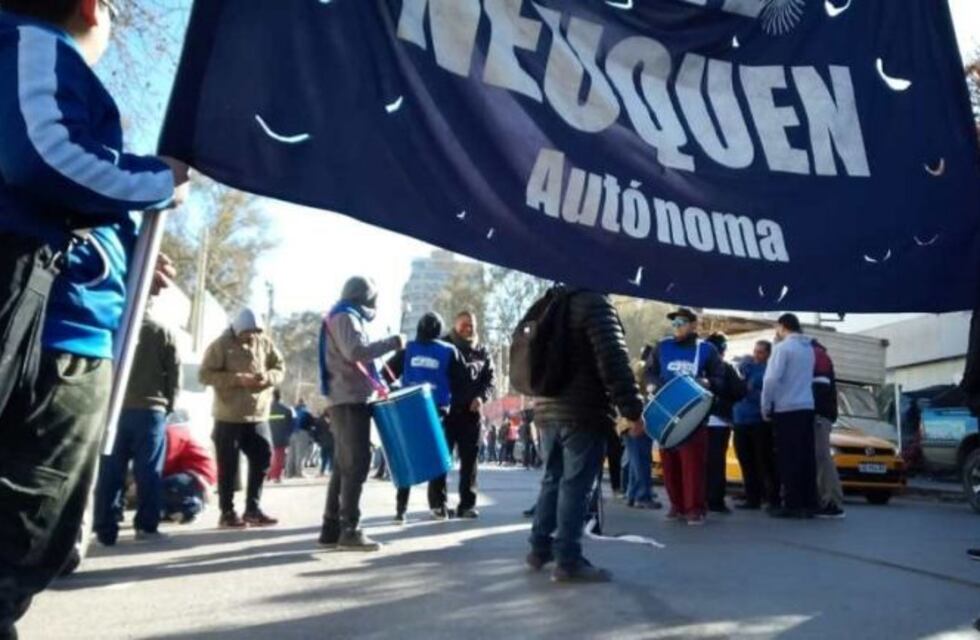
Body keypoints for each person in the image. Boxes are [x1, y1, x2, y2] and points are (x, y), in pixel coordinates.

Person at [0, 2, 189, 634]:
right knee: (21, 545)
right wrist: (156, 179)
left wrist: (126, 253)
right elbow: (41, 155)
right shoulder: (32, 44)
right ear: (90, 7)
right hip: (50, 339)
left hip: (51, 329)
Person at [528, 287, 645, 583]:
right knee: (577, 485)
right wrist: (632, 410)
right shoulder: (595, 303)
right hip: (583, 410)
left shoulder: (550, 301)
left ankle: (539, 547)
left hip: (547, 408)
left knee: (553, 478)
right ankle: (568, 559)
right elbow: (613, 359)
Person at [317, 276, 403, 551]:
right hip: (349, 399)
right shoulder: (345, 317)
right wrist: (392, 343)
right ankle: (350, 530)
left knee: (344, 465)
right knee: (356, 463)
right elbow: (354, 352)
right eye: (372, 299)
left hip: (346, 398)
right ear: (362, 298)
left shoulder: (345, 316)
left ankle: (331, 527)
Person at [93, 309, 181, 545]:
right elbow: (173, 373)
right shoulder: (161, 331)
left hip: (114, 409)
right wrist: (169, 405)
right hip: (151, 411)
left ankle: (105, 528)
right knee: (149, 471)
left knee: (111, 470)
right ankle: (146, 526)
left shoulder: (113, 326)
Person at [199, 308, 284, 529]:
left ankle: (252, 510)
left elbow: (279, 368)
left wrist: (266, 377)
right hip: (228, 416)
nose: (251, 335)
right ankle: (227, 513)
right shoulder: (220, 345)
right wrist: (237, 379)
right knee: (228, 465)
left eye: (256, 331)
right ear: (237, 329)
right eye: (247, 331)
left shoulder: (264, 342)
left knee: (263, 456)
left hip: (258, 415)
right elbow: (205, 375)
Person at [644, 308, 726, 526]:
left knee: (692, 465)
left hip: (694, 415)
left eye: (681, 322)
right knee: (669, 463)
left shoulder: (706, 349)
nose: (677, 326)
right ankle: (677, 505)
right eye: (674, 323)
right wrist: (654, 385)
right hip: (666, 412)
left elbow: (720, 377)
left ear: (693, 325)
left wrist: (708, 383)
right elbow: (649, 372)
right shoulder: (662, 347)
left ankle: (694, 508)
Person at [384, 312, 468, 523]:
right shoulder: (450, 351)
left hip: (409, 411)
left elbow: (385, 374)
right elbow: (463, 381)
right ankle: (438, 507)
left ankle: (400, 510)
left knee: (407, 459)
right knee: (438, 460)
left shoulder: (407, 350)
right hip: (437, 413)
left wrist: (396, 389)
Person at [438, 311, 496, 518]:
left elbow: (490, 381)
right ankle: (438, 504)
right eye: (464, 324)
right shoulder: (443, 346)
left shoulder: (483, 350)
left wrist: (482, 397)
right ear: (455, 325)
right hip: (447, 413)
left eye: (471, 324)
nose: (468, 328)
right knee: (442, 460)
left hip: (472, 416)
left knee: (470, 463)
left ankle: (467, 505)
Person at [761, 313, 818, 519]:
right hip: (806, 406)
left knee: (788, 457)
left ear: (782, 326)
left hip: (787, 408)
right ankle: (809, 502)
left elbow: (771, 379)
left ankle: (792, 503)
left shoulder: (782, 348)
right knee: (806, 457)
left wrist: (765, 405)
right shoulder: (808, 349)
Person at [732, 341, 781, 510]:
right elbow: (738, 382)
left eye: (760, 352)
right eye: (755, 351)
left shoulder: (768, 370)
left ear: (768, 354)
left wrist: (751, 391)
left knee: (764, 460)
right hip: (740, 419)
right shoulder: (747, 367)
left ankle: (772, 497)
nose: (756, 355)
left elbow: (767, 394)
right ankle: (752, 497)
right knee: (745, 461)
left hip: (759, 420)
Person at [704, 333, 747, 515]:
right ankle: (715, 501)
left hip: (697, 421)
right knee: (716, 462)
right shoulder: (726, 368)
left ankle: (698, 498)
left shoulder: (699, 367)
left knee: (700, 461)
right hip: (720, 421)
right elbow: (739, 391)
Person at [812, 339, 845, 519]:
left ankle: (832, 501)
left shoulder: (817, 355)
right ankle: (826, 499)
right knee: (820, 458)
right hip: (822, 413)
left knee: (822, 457)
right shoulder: (819, 354)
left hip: (819, 414)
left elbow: (820, 386)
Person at [623, 359, 661, 510]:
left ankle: (632, 495)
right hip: (637, 427)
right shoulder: (641, 392)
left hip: (626, 427)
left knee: (635, 462)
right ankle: (643, 496)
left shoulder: (629, 387)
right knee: (642, 463)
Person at [161, 422, 217, 525]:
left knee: (167, 483)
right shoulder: (169, 432)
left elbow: (167, 460)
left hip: (198, 473)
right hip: (188, 472)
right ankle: (170, 510)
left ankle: (193, 507)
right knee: (161, 484)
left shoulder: (171, 435)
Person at [268, 390, 295, 483]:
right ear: (280, 397)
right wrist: (288, 435)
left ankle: (267, 475)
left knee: (268, 456)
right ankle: (276, 476)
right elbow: (291, 425)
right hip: (281, 437)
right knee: (279, 458)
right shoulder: (287, 410)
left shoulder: (266, 409)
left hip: (268, 436)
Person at [286, 399, 315, 478]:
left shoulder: (292, 412)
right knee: (300, 454)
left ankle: (289, 473)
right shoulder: (306, 412)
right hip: (302, 433)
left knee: (291, 454)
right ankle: (298, 473)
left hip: (291, 434)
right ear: (303, 404)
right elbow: (312, 425)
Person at [313, 410, 334, 476]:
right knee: (331, 457)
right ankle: (330, 470)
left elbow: (316, 431)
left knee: (324, 457)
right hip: (332, 441)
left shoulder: (319, 420)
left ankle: (322, 471)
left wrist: (317, 440)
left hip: (323, 441)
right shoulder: (334, 420)